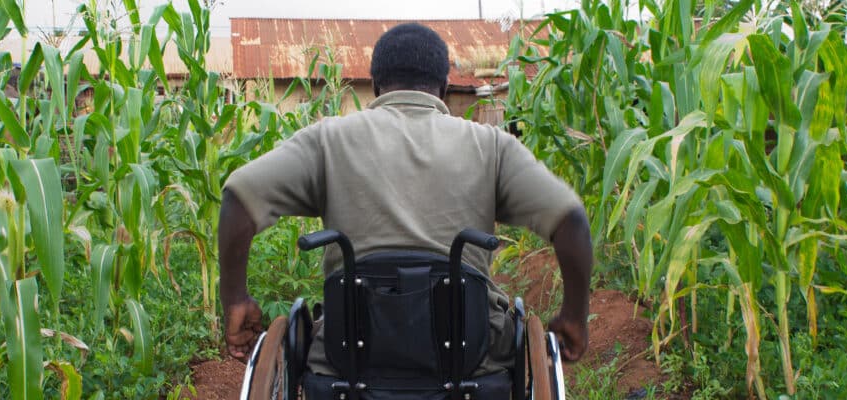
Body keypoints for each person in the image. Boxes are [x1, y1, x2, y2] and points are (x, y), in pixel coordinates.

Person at [218, 22, 592, 379]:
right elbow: (570, 220)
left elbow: (239, 197)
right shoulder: (491, 146)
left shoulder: (329, 141)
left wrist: (235, 299)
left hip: (348, 358)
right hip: (470, 358)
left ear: (377, 86)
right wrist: (573, 317)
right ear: (444, 87)